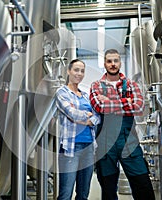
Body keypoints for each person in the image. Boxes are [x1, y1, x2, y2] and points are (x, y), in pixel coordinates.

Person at [90, 49, 155, 200]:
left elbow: (139, 108)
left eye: (116, 61)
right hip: (105, 143)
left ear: (120, 62)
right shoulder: (96, 85)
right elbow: (99, 107)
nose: (113, 64)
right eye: (109, 61)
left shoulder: (132, 85)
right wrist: (126, 102)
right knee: (108, 187)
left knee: (142, 183)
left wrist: (109, 102)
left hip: (128, 141)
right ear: (104, 64)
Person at [55, 59, 100, 200]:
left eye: (82, 71)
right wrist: (87, 115)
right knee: (65, 193)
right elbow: (71, 113)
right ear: (68, 71)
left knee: (83, 194)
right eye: (76, 70)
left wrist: (85, 118)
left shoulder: (86, 96)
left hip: (89, 148)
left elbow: (97, 117)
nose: (79, 74)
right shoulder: (62, 92)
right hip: (70, 148)